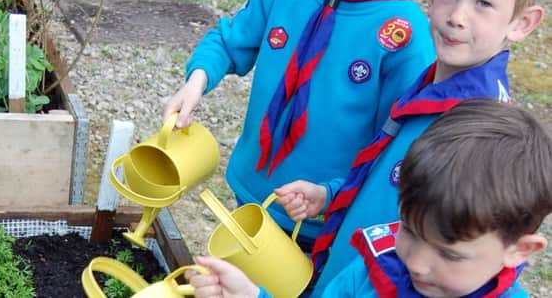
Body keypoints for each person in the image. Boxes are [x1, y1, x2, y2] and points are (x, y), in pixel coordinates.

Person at [273, 0, 552, 296]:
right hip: (349, 277)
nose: (457, 17)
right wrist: (331, 195)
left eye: (484, 4)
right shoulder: (429, 83)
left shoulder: (477, 132)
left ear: (521, 22)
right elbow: (389, 180)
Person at [163, 0, 434, 247]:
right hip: (251, 195)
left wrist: (330, 195)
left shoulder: (406, 33)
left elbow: (398, 148)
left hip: (321, 223)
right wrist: (197, 80)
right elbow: (229, 39)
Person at [187, 100, 552, 297]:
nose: (418, 264)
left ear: (519, 250)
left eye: (449, 253)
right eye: (409, 230)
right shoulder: (371, 271)